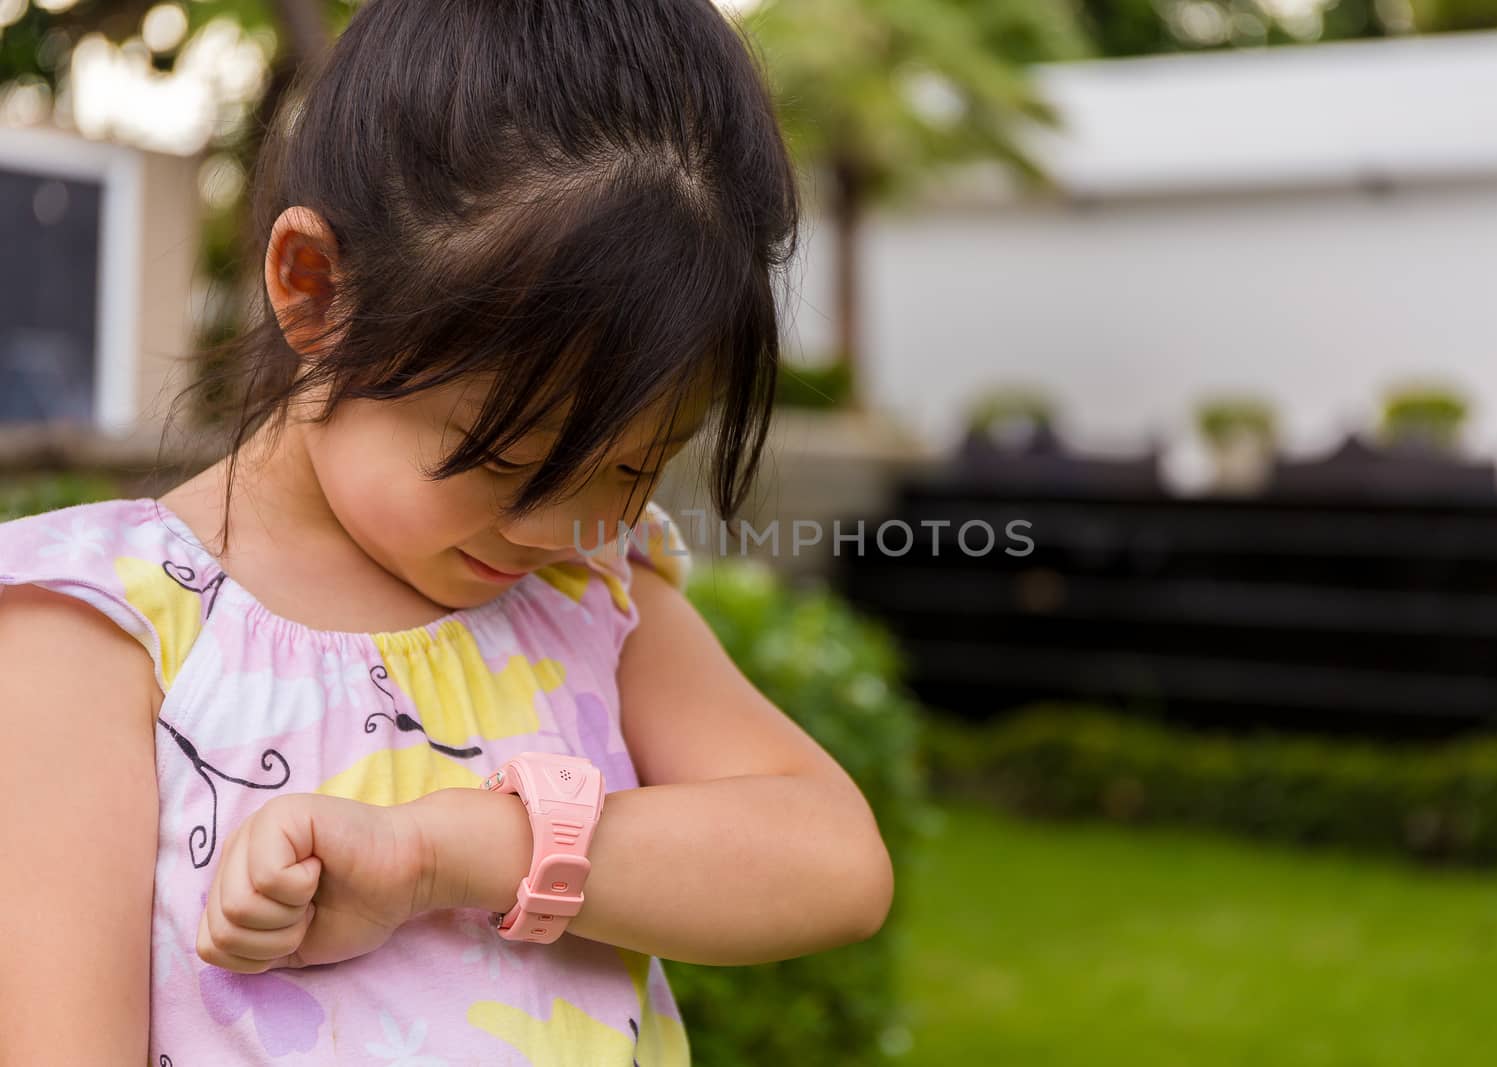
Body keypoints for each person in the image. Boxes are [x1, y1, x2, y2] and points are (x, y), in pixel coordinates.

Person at [0, 1, 895, 1062]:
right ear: (316, 290)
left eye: (633, 464)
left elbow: (831, 859)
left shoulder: (589, 593)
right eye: (510, 458)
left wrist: (449, 850)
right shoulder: (101, 629)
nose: (569, 524)